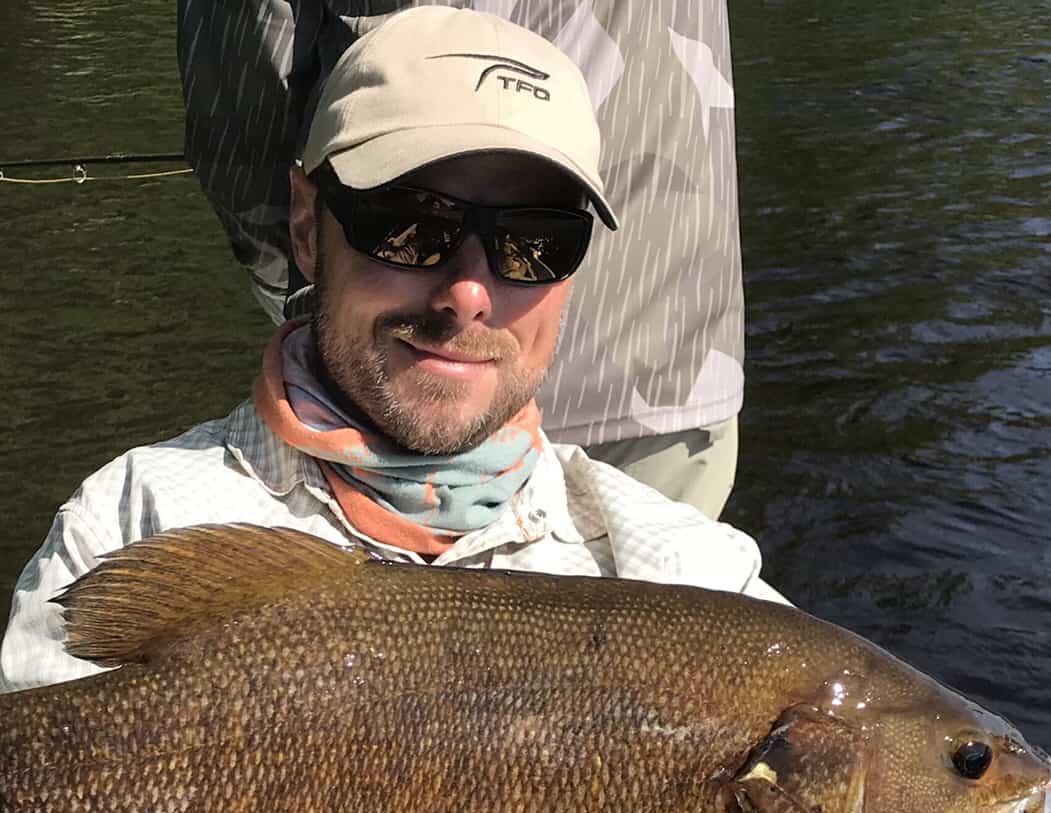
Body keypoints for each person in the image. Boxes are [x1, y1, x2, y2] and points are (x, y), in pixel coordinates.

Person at [0, 10, 1051, 813]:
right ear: (305, 223)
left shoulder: (681, 562)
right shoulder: (142, 513)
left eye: (535, 240)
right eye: (407, 225)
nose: (469, 291)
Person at [177, 0, 745, 519]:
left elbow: (243, 137)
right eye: (411, 218)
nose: (472, 294)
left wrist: (345, 282)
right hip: (675, 362)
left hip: (384, 372)